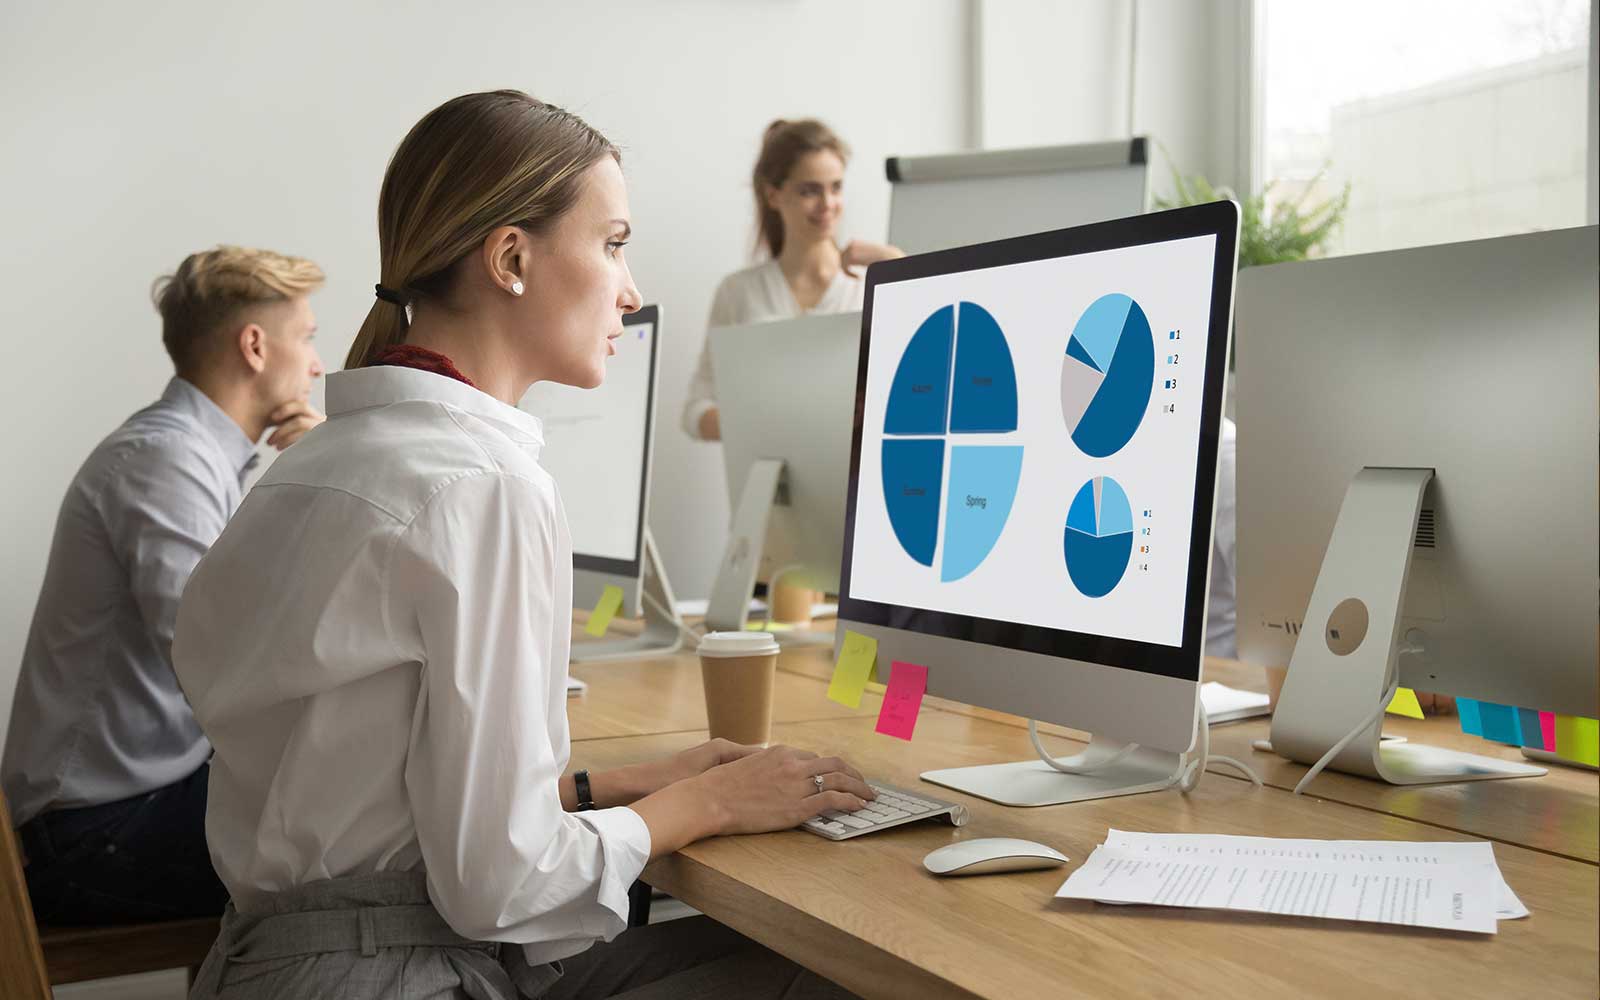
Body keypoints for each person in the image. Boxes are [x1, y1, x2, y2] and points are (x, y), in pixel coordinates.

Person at [174, 90, 871, 999]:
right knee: (830, 978)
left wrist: (641, 781)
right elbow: (500, 884)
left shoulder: (322, 461)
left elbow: (385, 790)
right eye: (613, 244)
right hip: (400, 973)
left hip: (287, 962)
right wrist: (708, 804)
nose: (630, 288)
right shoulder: (482, 488)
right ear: (510, 257)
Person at [2, 246, 326, 924]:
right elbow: (224, 664)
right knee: (353, 862)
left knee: (358, 832)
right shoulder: (164, 461)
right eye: (308, 339)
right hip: (93, 832)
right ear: (256, 347)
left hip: (129, 806)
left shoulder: (195, 459)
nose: (318, 366)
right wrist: (326, 480)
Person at [681, 118, 903, 443]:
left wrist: (899, 267)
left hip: (854, 486)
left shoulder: (872, 285)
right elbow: (694, 411)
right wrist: (759, 423)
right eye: (809, 190)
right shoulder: (738, 293)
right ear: (773, 195)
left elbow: (926, 381)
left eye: (836, 187)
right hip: (767, 488)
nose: (828, 204)